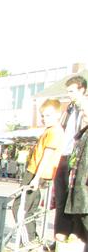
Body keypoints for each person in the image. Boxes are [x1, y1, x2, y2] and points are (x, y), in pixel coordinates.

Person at [12, 99, 64, 244]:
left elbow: (47, 156)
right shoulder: (50, 130)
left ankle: (27, 241)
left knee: (19, 208)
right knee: (29, 208)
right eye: (42, 116)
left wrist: (36, 178)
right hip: (37, 172)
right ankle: (31, 239)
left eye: (48, 115)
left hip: (36, 172)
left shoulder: (54, 132)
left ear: (58, 115)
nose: (44, 119)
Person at [54, 75, 87, 241]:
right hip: (64, 155)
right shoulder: (70, 109)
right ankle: (61, 236)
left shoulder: (84, 107)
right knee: (61, 198)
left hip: (78, 158)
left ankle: (77, 237)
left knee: (75, 200)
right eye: (68, 91)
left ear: (83, 90)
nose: (69, 95)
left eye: (72, 91)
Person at [64, 91, 88, 252]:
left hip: (84, 186)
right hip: (79, 184)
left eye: (86, 112)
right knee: (80, 219)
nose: (84, 115)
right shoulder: (83, 133)